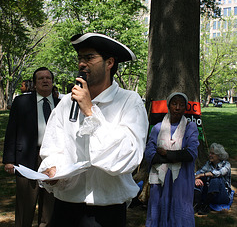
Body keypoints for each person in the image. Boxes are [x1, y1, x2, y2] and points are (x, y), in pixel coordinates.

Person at [37, 32, 149, 227]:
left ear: (110, 62)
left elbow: (127, 158)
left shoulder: (130, 102)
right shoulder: (65, 103)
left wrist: (90, 111)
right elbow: (53, 148)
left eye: (89, 58)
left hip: (106, 210)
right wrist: (53, 169)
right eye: (80, 58)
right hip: (66, 205)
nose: (82, 63)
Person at [3, 67, 60, 227]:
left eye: (48, 78)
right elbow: (11, 130)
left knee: (50, 204)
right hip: (26, 157)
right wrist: (9, 159)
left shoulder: (61, 105)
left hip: (52, 160)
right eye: (40, 78)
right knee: (25, 203)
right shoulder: (21, 102)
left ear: (52, 82)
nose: (45, 80)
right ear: (34, 84)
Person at [144, 92, 199, 227]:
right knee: (158, 209)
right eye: (174, 104)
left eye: (181, 105)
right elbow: (149, 154)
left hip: (181, 178)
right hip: (159, 180)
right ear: (169, 106)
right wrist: (175, 156)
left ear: (185, 108)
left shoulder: (190, 127)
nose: (177, 108)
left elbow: (191, 154)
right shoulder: (157, 128)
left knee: (180, 210)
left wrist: (165, 152)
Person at [193, 143, 231, 215]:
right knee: (199, 180)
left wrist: (202, 175)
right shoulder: (209, 164)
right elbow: (197, 173)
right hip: (210, 194)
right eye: (210, 153)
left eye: (212, 153)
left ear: (219, 155)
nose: (209, 155)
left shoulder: (227, 164)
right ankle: (196, 204)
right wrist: (196, 179)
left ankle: (205, 205)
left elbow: (218, 173)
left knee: (215, 179)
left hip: (222, 196)